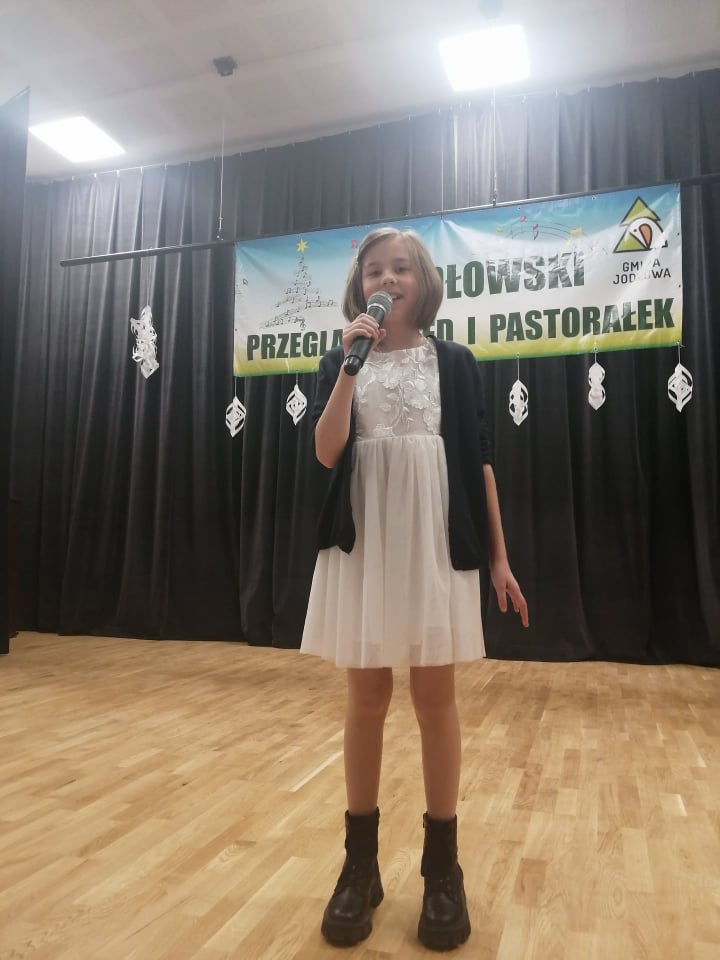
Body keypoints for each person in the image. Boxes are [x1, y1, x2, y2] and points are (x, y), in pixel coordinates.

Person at [301, 226, 529, 951]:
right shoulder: (340, 360)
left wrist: (499, 558)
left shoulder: (453, 363)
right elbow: (327, 452)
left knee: (435, 699)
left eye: (401, 267)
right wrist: (348, 368)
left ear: (423, 280)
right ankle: (359, 865)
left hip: (434, 543)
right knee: (366, 698)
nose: (388, 278)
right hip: (367, 544)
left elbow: (479, 462)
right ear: (360, 284)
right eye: (375, 269)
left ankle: (442, 869)